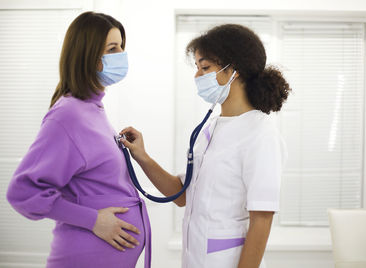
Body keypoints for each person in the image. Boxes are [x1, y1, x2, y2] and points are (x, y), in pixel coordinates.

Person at [120, 24, 291, 268]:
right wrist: (142, 157)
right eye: (197, 68)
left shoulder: (260, 133)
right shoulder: (210, 129)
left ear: (235, 70)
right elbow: (182, 196)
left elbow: (262, 219)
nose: (197, 76)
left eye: (205, 67)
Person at [6, 11, 151, 268]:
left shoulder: (92, 109)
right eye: (113, 48)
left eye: (121, 47)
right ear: (90, 55)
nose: (122, 55)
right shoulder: (68, 115)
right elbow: (23, 192)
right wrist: (93, 220)